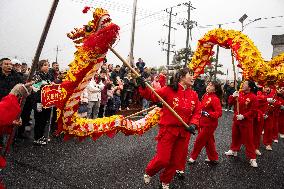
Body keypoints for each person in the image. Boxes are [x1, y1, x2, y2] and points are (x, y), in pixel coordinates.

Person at [138, 68, 201, 189]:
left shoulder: (194, 94)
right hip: (168, 130)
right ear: (182, 77)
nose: (193, 77)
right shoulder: (169, 90)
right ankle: (149, 171)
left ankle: (165, 181)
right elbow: (152, 95)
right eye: (190, 75)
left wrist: (193, 124)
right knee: (163, 159)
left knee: (175, 160)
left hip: (183, 132)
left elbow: (197, 111)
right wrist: (143, 85)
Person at [225, 80, 258, 168]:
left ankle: (252, 158)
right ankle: (233, 149)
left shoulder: (253, 97)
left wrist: (244, 116)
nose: (243, 84)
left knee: (248, 140)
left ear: (249, 87)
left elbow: (254, 111)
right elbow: (230, 103)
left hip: (246, 122)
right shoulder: (238, 93)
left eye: (245, 84)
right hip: (236, 120)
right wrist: (232, 96)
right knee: (235, 135)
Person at [188, 81, 223, 164]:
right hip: (202, 122)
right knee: (209, 141)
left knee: (199, 140)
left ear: (215, 90)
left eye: (211, 86)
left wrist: (208, 114)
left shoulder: (215, 99)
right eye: (208, 85)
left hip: (210, 124)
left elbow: (219, 112)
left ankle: (193, 157)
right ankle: (213, 157)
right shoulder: (205, 95)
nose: (208, 87)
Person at [31, 60, 52, 145]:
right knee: (39, 120)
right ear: (40, 67)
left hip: (47, 102)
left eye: (48, 65)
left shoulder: (49, 76)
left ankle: (42, 135)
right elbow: (35, 90)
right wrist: (40, 100)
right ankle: (37, 138)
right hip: (39, 102)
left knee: (45, 120)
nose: (47, 66)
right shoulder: (37, 76)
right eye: (45, 65)